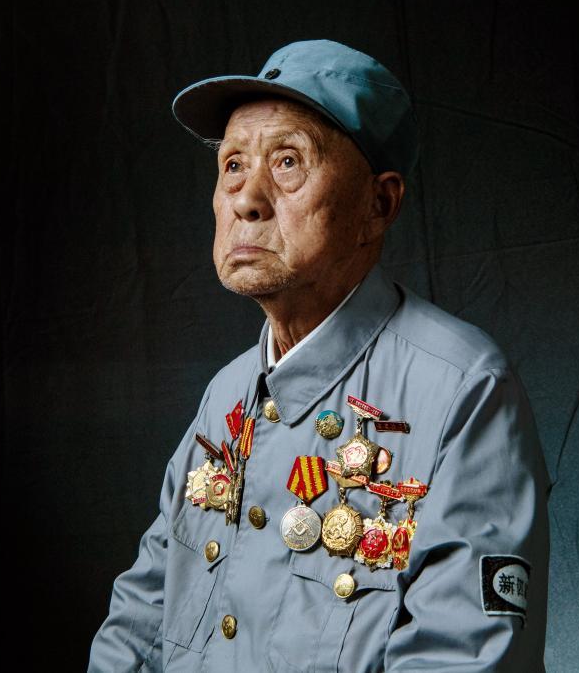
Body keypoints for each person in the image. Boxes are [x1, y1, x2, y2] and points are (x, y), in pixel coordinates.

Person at [88, 39, 550, 672]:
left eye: (287, 161)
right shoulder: (226, 395)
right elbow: (140, 622)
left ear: (377, 205)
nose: (246, 198)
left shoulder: (462, 390)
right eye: (232, 164)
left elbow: (460, 660)